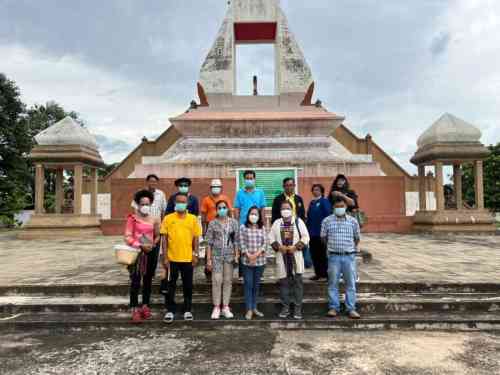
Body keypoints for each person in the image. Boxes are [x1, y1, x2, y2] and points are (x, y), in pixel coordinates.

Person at [160, 193, 202, 323]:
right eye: (178, 201)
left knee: (187, 285)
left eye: (183, 202)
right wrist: (165, 257)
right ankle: (170, 310)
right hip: (172, 259)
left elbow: (196, 238)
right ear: (174, 203)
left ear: (187, 204)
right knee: (170, 285)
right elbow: (164, 239)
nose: (181, 204)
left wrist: (195, 254)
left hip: (188, 258)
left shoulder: (193, 219)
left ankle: (187, 309)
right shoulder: (167, 218)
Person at [321, 197, 361, 319]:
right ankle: (333, 307)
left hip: (349, 257)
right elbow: (323, 238)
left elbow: (357, 238)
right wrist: (332, 248)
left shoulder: (353, 221)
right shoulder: (327, 221)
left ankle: (351, 309)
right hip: (334, 257)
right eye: (337, 207)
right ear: (333, 208)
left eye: (342, 206)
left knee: (350, 284)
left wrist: (349, 248)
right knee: (333, 283)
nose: (339, 208)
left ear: (346, 207)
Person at [124, 189, 161, 323]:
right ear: (138, 205)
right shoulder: (132, 219)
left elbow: (158, 235)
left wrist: (153, 244)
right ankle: (134, 309)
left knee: (147, 281)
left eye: (147, 203)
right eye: (142, 203)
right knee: (135, 282)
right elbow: (127, 236)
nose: (145, 206)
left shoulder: (155, 219)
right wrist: (139, 245)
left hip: (150, 253)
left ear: (151, 204)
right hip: (136, 254)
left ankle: (145, 306)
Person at [270, 201, 310, 320]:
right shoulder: (277, 223)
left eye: (287, 208)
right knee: (284, 284)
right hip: (282, 258)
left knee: (297, 284)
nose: (285, 210)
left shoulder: (298, 222)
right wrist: (279, 247)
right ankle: (285, 307)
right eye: (283, 208)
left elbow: (306, 237)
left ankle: (297, 309)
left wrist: (296, 247)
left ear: (292, 209)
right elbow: (271, 237)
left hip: (295, 257)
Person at [130, 174, 167, 295]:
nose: (153, 183)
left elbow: (163, 211)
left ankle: (150, 273)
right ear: (147, 182)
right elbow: (135, 210)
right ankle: (134, 306)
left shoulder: (161, 194)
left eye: (155, 181)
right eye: (150, 181)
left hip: (155, 228)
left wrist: (161, 228)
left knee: (151, 263)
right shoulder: (140, 194)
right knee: (136, 274)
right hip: (140, 234)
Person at [205, 200, 240, 320]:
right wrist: (208, 259)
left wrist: (236, 255)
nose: (222, 209)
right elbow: (209, 243)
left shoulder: (234, 223)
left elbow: (236, 241)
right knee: (216, 280)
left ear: (228, 209)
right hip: (216, 256)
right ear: (216, 209)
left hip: (229, 257)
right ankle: (216, 307)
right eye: (219, 208)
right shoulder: (212, 223)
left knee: (227, 281)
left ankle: (225, 306)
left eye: (224, 207)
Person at [201, 179, 233, 281]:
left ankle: (222, 272)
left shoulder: (225, 198)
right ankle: (208, 273)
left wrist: (231, 227)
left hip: (223, 229)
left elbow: (230, 213)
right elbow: (203, 216)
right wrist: (203, 230)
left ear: (221, 188)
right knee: (209, 251)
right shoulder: (206, 199)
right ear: (210, 188)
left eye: (218, 187)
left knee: (223, 249)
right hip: (210, 229)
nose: (216, 189)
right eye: (214, 187)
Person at [239, 206, 267, 320]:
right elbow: (241, 242)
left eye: (256, 214)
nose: (253, 216)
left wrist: (256, 255)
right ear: (248, 215)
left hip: (260, 261)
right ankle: (249, 309)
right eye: (252, 214)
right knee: (248, 285)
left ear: (259, 216)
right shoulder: (243, 227)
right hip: (247, 262)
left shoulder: (262, 228)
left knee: (256, 286)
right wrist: (249, 255)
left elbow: (265, 243)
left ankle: (255, 307)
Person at [306, 184, 332, 281]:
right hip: (312, 233)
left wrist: (326, 231)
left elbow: (328, 215)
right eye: (313, 190)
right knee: (314, 254)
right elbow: (308, 217)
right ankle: (318, 273)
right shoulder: (312, 202)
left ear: (321, 191)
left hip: (321, 233)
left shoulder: (324, 201)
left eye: (317, 189)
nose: (315, 191)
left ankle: (325, 274)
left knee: (322, 255)